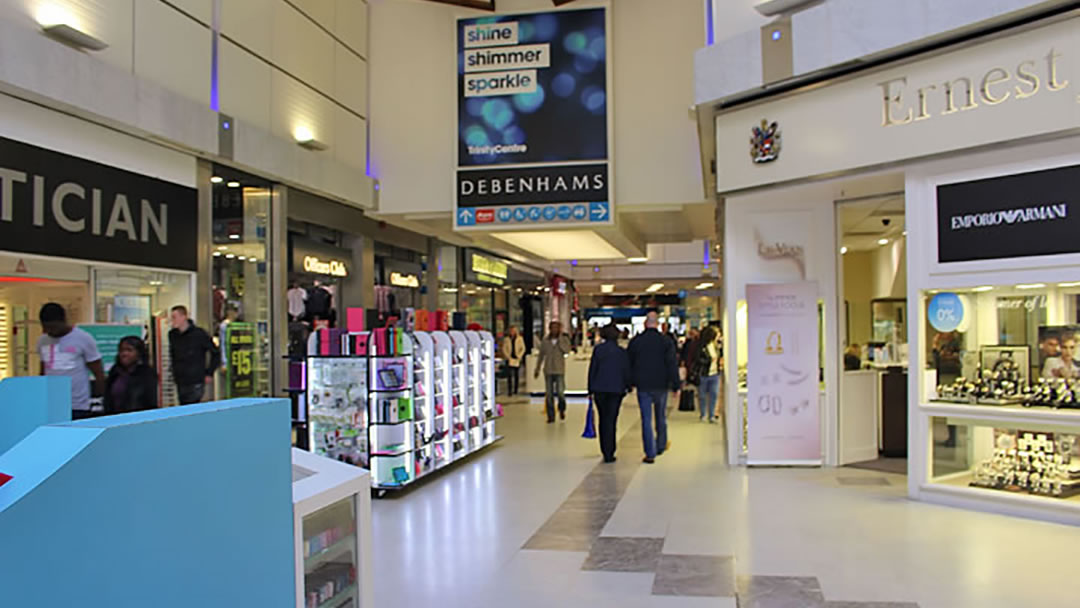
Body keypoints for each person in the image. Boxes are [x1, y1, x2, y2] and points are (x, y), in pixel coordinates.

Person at [628, 311, 681, 463]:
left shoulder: (636, 341)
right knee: (661, 416)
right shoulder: (666, 342)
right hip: (661, 384)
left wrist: (630, 382)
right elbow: (672, 364)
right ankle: (661, 444)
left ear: (645, 323)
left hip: (643, 385)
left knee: (646, 419)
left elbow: (629, 363)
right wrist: (676, 385)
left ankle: (649, 453)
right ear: (657, 324)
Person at [37, 303, 106, 419]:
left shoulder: (83, 338)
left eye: (52, 327)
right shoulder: (42, 340)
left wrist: (99, 399)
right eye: (45, 327)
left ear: (63, 321)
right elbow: (43, 371)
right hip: (51, 403)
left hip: (77, 404)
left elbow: (98, 372)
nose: (48, 331)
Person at [588, 324, 632, 463]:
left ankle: (605, 449)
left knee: (603, 419)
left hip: (600, 389)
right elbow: (626, 371)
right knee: (612, 420)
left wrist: (590, 388)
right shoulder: (622, 352)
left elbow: (593, 369)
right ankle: (610, 451)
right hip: (616, 389)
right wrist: (628, 386)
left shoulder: (598, 350)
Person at [169, 305, 220, 405]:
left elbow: (215, 353)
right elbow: (174, 354)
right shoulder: (173, 335)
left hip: (196, 378)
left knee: (192, 404)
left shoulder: (199, 334)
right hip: (180, 379)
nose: (172, 320)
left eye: (174, 317)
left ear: (184, 317)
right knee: (183, 406)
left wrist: (209, 372)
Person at [104, 336, 159, 414]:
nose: (124, 354)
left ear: (139, 353)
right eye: (121, 350)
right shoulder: (115, 372)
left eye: (129, 350)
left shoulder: (147, 374)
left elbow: (150, 401)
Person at [535, 321, 571, 423]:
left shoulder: (564, 339)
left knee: (560, 392)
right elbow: (541, 355)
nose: (554, 330)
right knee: (549, 394)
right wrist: (537, 368)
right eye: (552, 328)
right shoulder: (545, 340)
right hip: (548, 370)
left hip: (559, 369)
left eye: (556, 328)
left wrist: (560, 340)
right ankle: (551, 416)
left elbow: (567, 350)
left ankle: (562, 409)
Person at [694, 326, 722, 423]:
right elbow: (697, 359)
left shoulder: (716, 346)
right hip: (704, 374)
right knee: (702, 395)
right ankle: (703, 414)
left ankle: (711, 415)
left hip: (715, 374)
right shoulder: (702, 346)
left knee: (714, 394)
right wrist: (709, 360)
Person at [500, 326, 527, 396]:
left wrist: (519, 356)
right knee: (509, 375)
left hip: (516, 358)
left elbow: (523, 348)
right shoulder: (507, 339)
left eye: (513, 331)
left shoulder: (520, 339)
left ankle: (515, 389)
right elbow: (504, 348)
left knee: (516, 375)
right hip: (509, 358)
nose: (512, 332)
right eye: (511, 331)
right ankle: (509, 390)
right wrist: (507, 356)